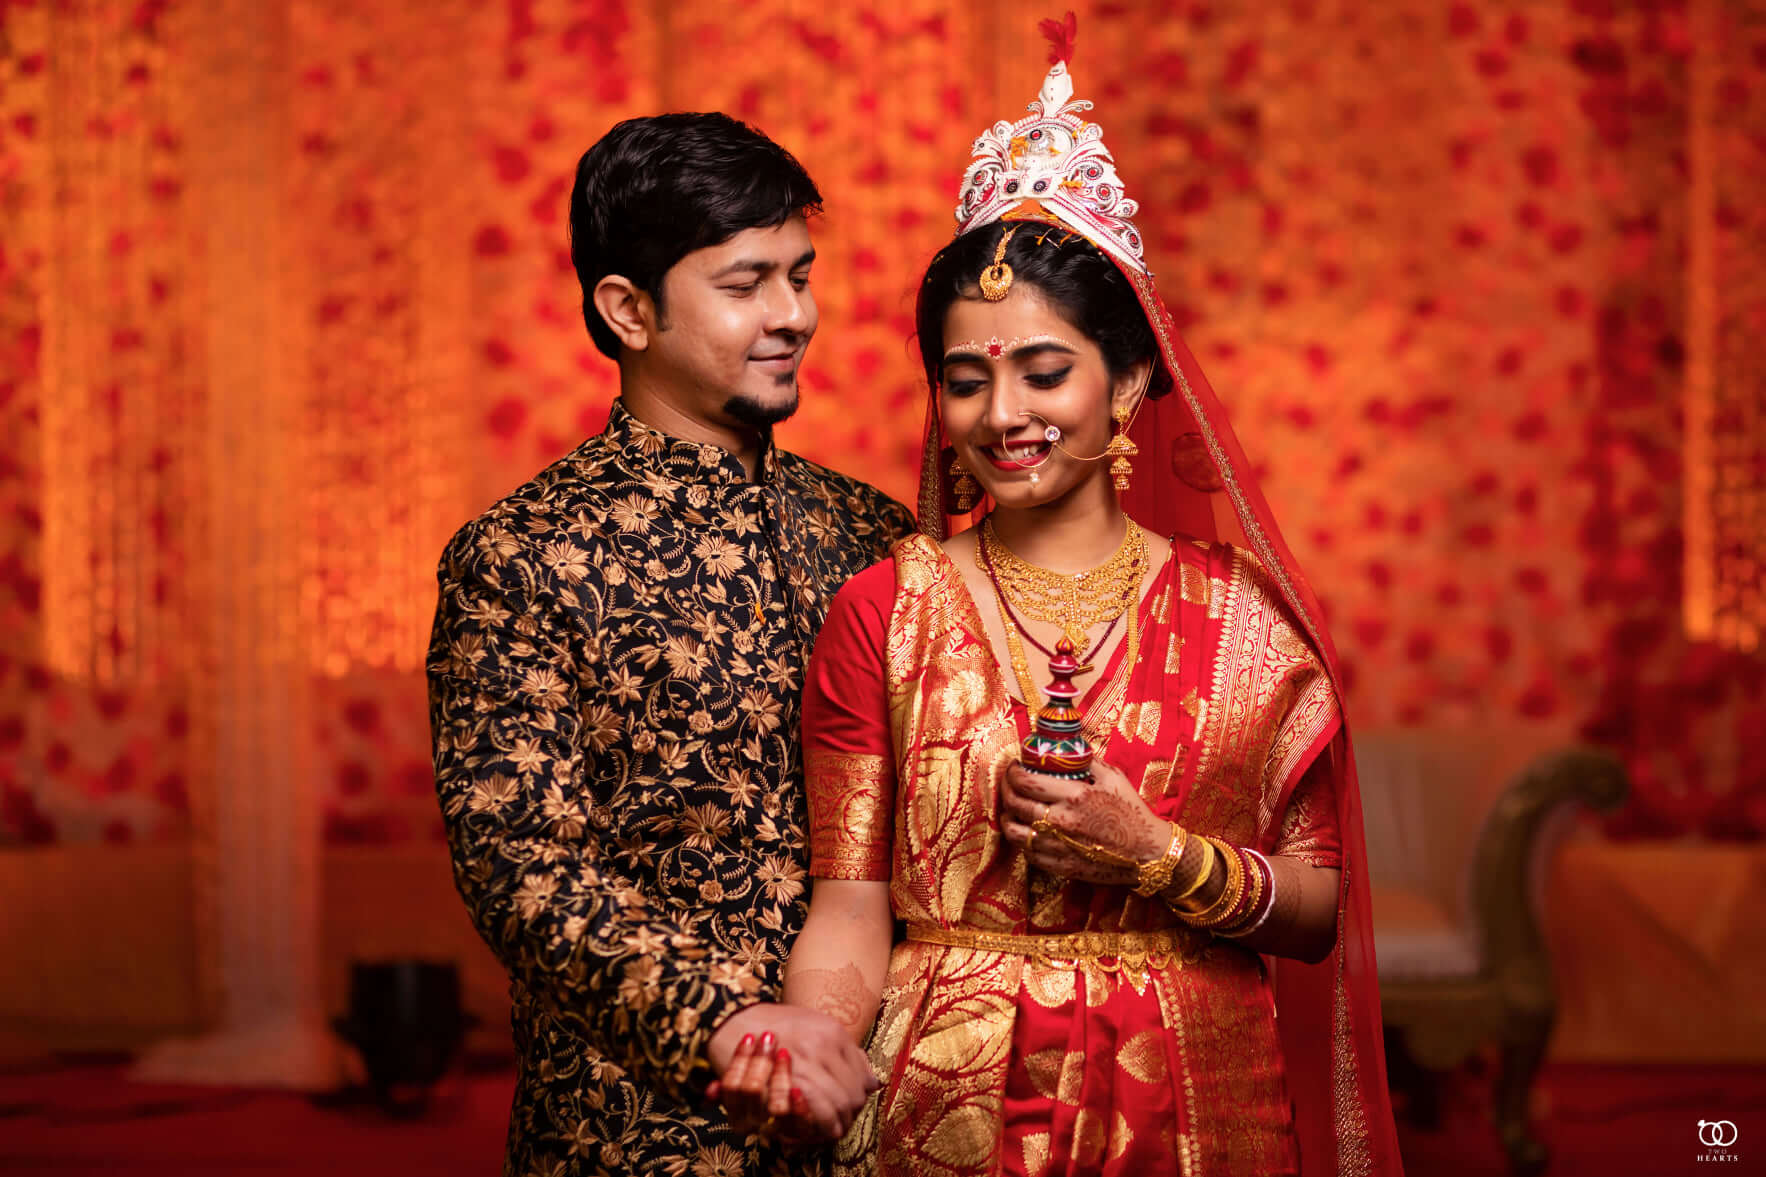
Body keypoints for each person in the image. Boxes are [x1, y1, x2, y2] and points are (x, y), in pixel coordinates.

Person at [712, 34, 1405, 1177]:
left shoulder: (1246, 625)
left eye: (1042, 372)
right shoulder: (883, 609)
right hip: (946, 1104)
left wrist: (1156, 854)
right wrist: (817, 1042)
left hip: (1197, 1098)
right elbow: (847, 907)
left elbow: (1318, 908)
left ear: (1126, 380)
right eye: (964, 378)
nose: (1000, 414)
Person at [427, 112, 912, 1176]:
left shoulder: (874, 533)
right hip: (642, 1127)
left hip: (886, 1112)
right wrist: (726, 1022)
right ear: (627, 310)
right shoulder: (522, 556)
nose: (794, 315)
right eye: (746, 284)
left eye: (801, 276)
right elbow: (523, 868)